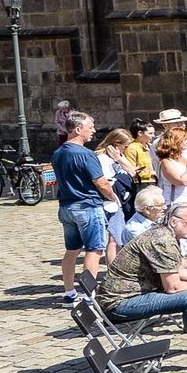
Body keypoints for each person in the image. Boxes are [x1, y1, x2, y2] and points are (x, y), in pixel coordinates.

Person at [95, 201, 187, 369]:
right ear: (173, 221)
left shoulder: (165, 234)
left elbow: (175, 270)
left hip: (133, 294)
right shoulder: (162, 240)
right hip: (119, 304)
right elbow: (173, 287)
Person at [54, 110, 119, 303]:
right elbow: (101, 183)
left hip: (66, 206)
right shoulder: (86, 154)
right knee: (94, 250)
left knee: (72, 250)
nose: (94, 131)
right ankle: (88, 294)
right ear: (78, 129)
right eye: (90, 128)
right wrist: (112, 196)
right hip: (87, 206)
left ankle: (69, 292)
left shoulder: (58, 153)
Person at [94, 127, 136, 262]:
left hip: (121, 200)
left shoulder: (118, 156)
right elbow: (103, 181)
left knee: (118, 237)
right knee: (113, 238)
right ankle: (112, 269)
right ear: (116, 144)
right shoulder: (102, 158)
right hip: (110, 201)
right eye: (125, 146)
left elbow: (132, 172)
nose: (126, 149)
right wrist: (113, 197)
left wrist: (119, 158)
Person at [156, 126, 187, 222]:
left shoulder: (185, 156)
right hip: (178, 203)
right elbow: (181, 181)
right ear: (176, 141)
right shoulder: (167, 162)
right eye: (185, 139)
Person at [124, 118, 156, 203]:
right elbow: (131, 169)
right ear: (140, 133)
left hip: (153, 182)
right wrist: (151, 173)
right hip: (141, 184)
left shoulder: (150, 147)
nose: (153, 136)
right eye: (150, 133)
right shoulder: (132, 148)